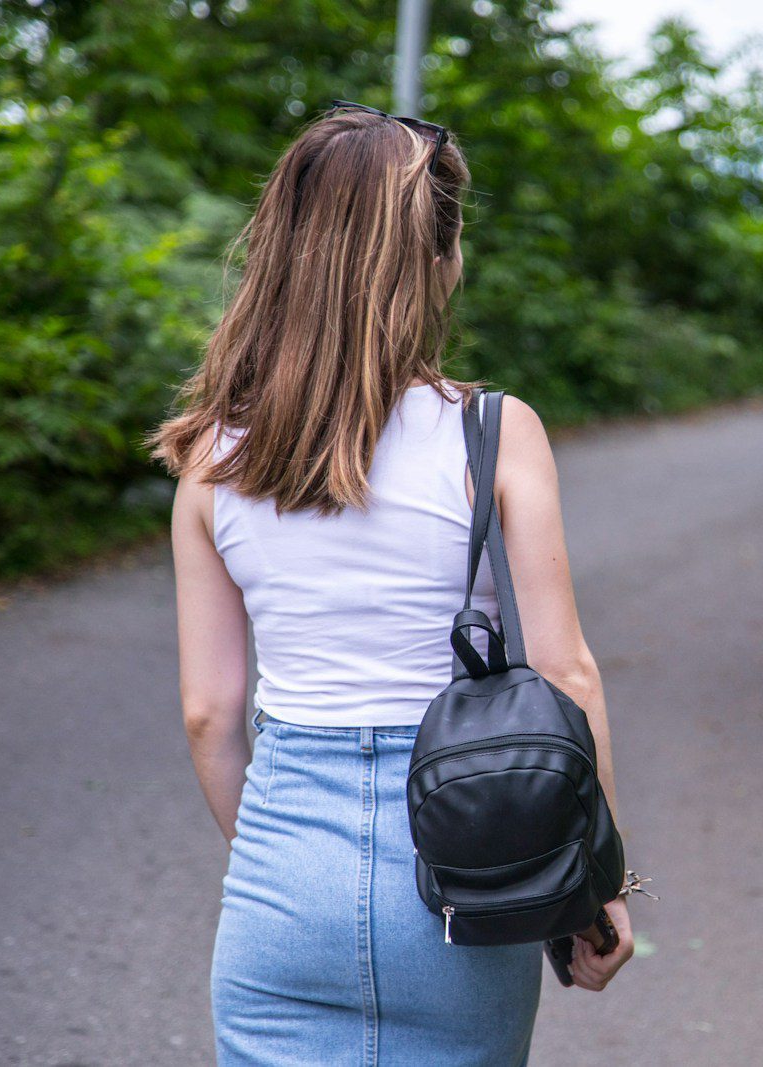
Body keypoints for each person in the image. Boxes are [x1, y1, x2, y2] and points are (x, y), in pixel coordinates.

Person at [148, 101, 633, 1066]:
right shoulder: (493, 432)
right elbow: (566, 673)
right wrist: (598, 879)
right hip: (467, 869)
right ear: (441, 259)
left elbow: (211, 713)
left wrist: (294, 865)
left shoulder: (211, 455)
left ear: (281, 251)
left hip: (281, 886)